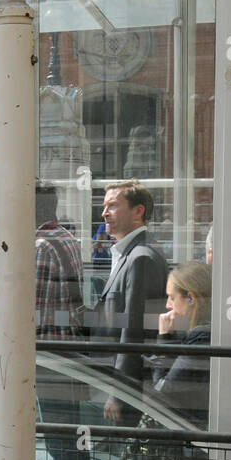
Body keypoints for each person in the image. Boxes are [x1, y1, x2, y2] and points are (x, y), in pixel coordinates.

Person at [33, 183, 92, 460]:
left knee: (59, 440)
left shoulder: (40, 247)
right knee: (74, 434)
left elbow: (35, 313)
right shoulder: (67, 238)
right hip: (69, 350)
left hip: (49, 357)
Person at [92, 182, 168, 425]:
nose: (104, 212)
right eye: (104, 206)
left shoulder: (141, 258)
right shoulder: (132, 253)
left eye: (113, 205)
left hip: (129, 392)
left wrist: (119, 394)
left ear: (138, 212)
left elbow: (134, 331)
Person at [150, 261, 212, 426]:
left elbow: (162, 390)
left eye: (171, 297)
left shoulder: (202, 338)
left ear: (191, 298)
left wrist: (164, 337)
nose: (167, 305)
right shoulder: (207, 332)